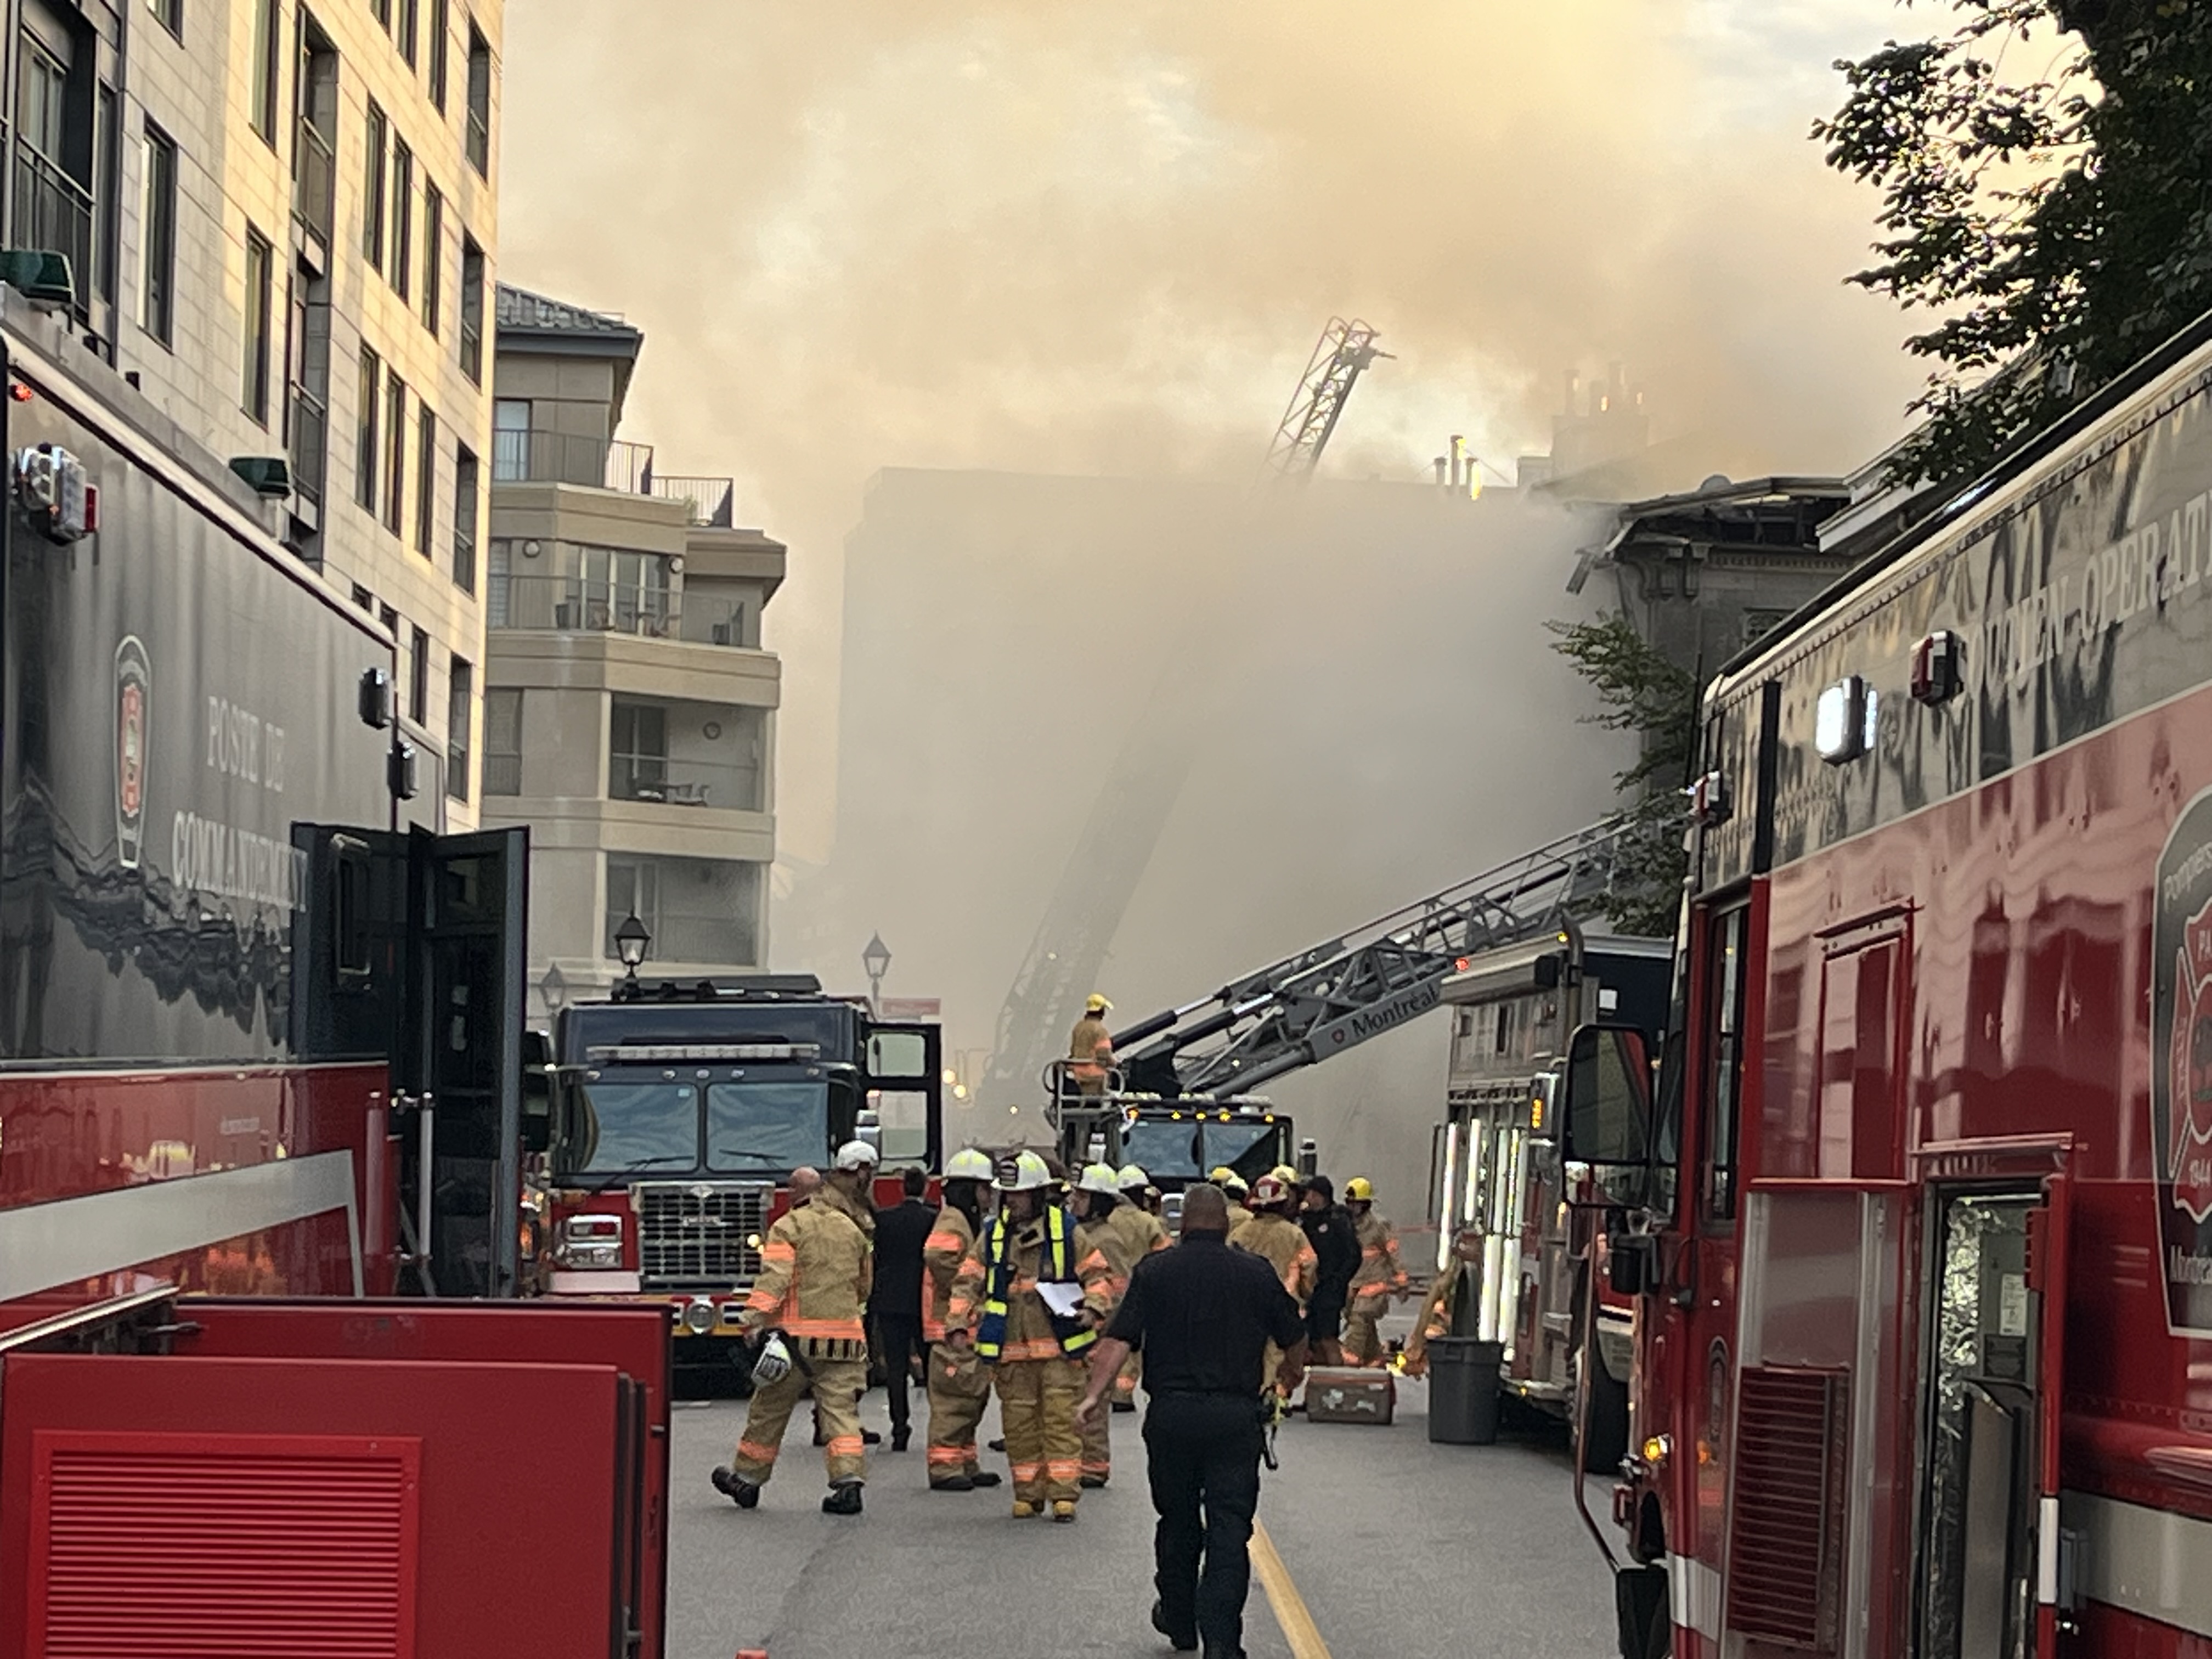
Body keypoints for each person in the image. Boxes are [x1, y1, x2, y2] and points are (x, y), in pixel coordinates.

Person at [1076, 1184, 1308, 1659]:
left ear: (1183, 1226)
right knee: (1229, 1527)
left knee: (1177, 1519)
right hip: (1233, 1418)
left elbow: (1119, 1339)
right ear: (1226, 1223)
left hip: (1172, 1417)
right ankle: (1222, 1641)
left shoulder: (1155, 1272)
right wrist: (1291, 1372)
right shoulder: (1254, 1273)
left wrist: (1093, 1396)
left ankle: (1180, 1619)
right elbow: (1294, 1334)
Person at [948, 1149, 1115, 1520]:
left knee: (1060, 1424)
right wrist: (958, 1322)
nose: (1013, 1201)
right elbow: (967, 1281)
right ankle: (1028, 1492)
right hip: (1011, 1352)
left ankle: (1063, 1494)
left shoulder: (1066, 1230)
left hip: (1059, 1351)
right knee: (1019, 1426)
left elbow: (1098, 1276)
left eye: (1019, 1195)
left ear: (1039, 1194)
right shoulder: (993, 1235)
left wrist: (1093, 1308)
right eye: (1008, 1195)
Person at [713, 1141, 878, 1515]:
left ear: (794, 1194)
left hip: (794, 1343)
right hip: (846, 1343)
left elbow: (776, 1279)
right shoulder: (851, 1230)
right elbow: (865, 1286)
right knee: (841, 1416)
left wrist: (753, 1320)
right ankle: (848, 1483)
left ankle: (747, 1480)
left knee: (768, 1411)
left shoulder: (786, 1227)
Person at [924, 1148, 1002, 1492]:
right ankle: (944, 1468)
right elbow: (938, 1255)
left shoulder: (965, 1221)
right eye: (986, 1188)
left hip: (964, 1325)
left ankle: (966, 1462)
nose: (990, 1196)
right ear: (970, 1189)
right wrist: (966, 1286)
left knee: (972, 1397)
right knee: (953, 1401)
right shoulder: (954, 1220)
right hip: (950, 1327)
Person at [1071, 1163, 1137, 1485]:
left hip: (1099, 1334)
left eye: (1082, 1195)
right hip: (1086, 1331)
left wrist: (1102, 1328)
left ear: (1099, 1201)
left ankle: (1093, 1468)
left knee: (1094, 1408)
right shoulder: (1086, 1234)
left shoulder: (1106, 1239)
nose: (1074, 1200)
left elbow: (1119, 1290)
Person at [1229, 1175, 1316, 1393]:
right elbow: (1310, 1266)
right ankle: (1271, 1394)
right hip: (1283, 1303)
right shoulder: (1294, 1233)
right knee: (1276, 1351)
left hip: (1243, 1303)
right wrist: (1306, 1293)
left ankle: (1254, 1390)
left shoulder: (1240, 1233)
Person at [871, 1166, 934, 1453]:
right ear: (926, 1188)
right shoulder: (933, 1220)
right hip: (923, 1302)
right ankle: (941, 1425)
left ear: (902, 1188)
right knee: (931, 1366)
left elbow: (877, 1257)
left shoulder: (885, 1220)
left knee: (896, 1368)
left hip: (890, 1300)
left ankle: (899, 1428)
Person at [1109, 1163, 1170, 1412]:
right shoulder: (1149, 1222)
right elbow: (1164, 1258)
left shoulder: (1106, 1220)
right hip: (1140, 1289)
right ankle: (1122, 1395)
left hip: (1106, 1291)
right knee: (1132, 1345)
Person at [1342, 1176, 1411, 1366]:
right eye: (1349, 1203)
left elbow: (1394, 1253)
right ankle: (1374, 1356)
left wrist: (1402, 1282)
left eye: (1356, 1204)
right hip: (1353, 1284)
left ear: (1366, 1204)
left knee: (1360, 1316)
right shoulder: (1346, 1225)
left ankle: (1351, 1356)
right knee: (1356, 1318)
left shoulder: (1380, 1226)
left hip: (1376, 1284)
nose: (1352, 1208)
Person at [1297, 1175, 1361, 1369]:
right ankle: (1323, 1381)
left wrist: (1338, 1280)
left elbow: (1353, 1255)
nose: (1308, 1197)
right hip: (1313, 1289)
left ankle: (1337, 1377)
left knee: (1328, 1338)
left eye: (1312, 1194)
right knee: (1314, 1339)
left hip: (1330, 1289)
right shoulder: (1307, 1221)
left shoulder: (1337, 1220)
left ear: (1321, 1196)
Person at [1068, 992, 1116, 1098]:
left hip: (1079, 1075)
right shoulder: (1100, 1030)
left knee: (1084, 1105)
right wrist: (1114, 1063)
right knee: (1096, 1106)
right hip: (1095, 1076)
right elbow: (1103, 1054)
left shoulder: (1078, 1027)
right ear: (1101, 1011)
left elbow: (1073, 1051)